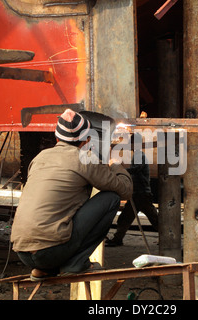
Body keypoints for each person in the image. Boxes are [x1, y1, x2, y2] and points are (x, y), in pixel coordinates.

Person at [10, 109, 133, 281]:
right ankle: (76, 263)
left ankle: (42, 269)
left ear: (57, 137)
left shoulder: (40, 158)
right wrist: (115, 165)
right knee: (111, 198)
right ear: (86, 141)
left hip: (22, 252)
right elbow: (125, 190)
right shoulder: (85, 158)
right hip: (50, 251)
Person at [105, 133, 158, 247]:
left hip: (141, 194)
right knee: (126, 218)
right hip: (138, 194)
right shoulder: (137, 155)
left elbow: (136, 170)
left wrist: (121, 170)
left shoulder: (139, 155)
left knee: (153, 219)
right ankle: (118, 239)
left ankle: (167, 238)